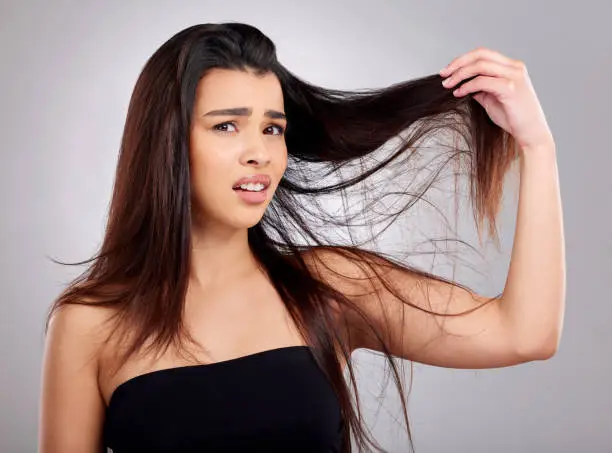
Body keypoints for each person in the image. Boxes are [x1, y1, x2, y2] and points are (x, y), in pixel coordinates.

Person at [38, 22, 565, 453]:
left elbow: (524, 332)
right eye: (227, 126)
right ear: (167, 144)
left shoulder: (329, 287)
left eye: (272, 127)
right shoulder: (89, 325)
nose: (260, 152)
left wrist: (538, 146)